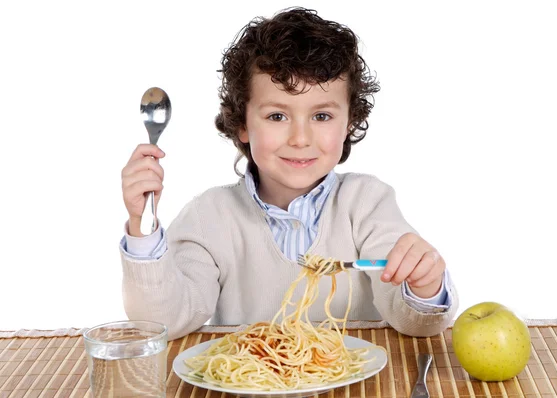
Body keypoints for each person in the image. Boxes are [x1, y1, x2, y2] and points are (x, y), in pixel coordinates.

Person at [120, 7, 458, 341]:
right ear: (242, 124)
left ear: (349, 123)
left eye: (322, 116)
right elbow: (163, 322)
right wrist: (142, 226)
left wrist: (424, 285)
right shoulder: (209, 216)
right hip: (250, 391)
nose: (300, 139)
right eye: (277, 117)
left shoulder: (368, 203)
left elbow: (415, 322)